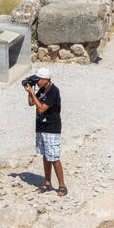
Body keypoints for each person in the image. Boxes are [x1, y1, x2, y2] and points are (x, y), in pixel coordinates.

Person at [25, 67, 66, 197]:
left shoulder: (53, 91)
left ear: (46, 79)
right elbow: (31, 103)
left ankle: (62, 185)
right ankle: (47, 183)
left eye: (38, 80)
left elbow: (42, 108)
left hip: (51, 128)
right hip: (41, 127)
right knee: (45, 156)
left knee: (54, 157)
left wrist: (32, 91)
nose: (37, 82)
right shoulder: (42, 89)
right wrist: (29, 91)